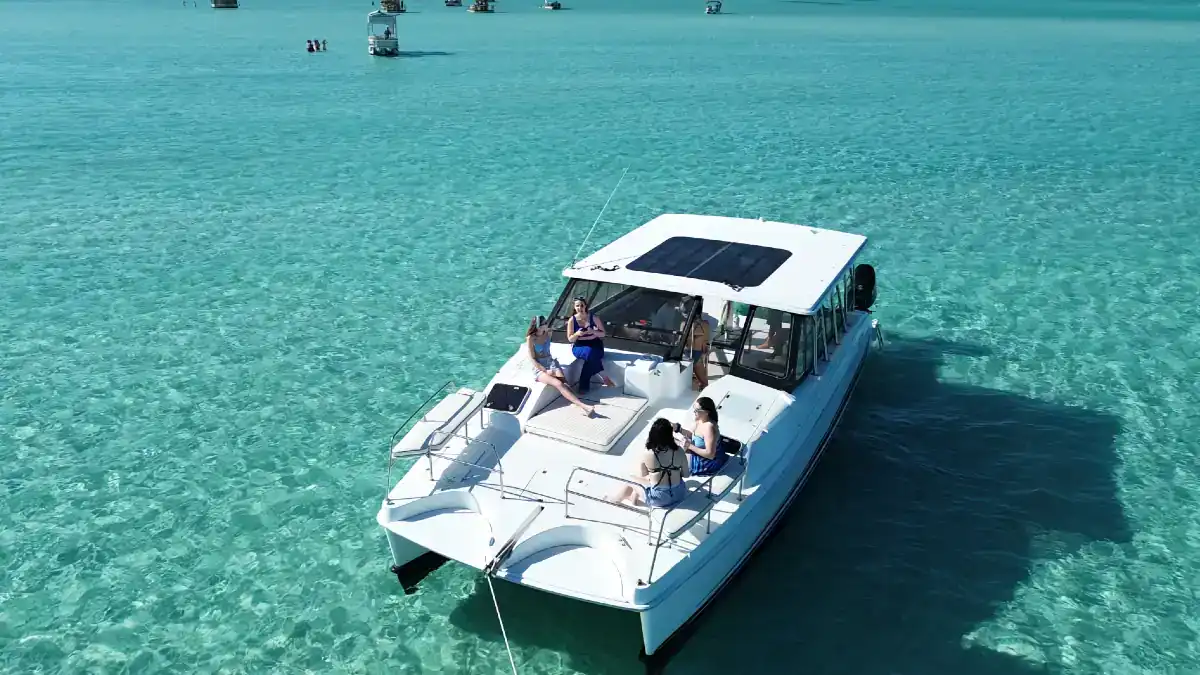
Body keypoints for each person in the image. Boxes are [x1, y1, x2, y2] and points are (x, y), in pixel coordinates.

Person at [610, 418, 688, 508]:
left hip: (659, 499)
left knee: (631, 479)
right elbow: (686, 475)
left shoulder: (647, 454)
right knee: (656, 478)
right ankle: (634, 499)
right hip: (680, 494)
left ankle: (616, 499)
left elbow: (644, 475)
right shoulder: (680, 451)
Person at [526, 316, 594, 416]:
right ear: (537, 326)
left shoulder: (549, 332)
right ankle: (584, 407)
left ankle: (578, 404)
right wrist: (544, 370)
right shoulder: (531, 338)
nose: (545, 325)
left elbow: (567, 329)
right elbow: (532, 358)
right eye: (543, 324)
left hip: (551, 362)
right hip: (539, 367)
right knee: (558, 384)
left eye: (545, 323)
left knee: (564, 383)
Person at [566, 296, 615, 394]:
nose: (580, 308)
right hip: (579, 346)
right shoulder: (572, 320)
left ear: (585, 306)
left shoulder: (594, 317)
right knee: (590, 354)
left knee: (591, 355)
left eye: (581, 305)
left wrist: (592, 331)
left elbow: (603, 334)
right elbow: (570, 339)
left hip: (595, 344)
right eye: (577, 306)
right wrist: (577, 334)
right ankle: (604, 377)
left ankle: (584, 387)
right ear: (574, 307)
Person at [676, 396, 728, 476]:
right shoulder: (699, 420)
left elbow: (710, 454)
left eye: (697, 410)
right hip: (697, 453)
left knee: (671, 461)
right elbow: (691, 434)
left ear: (706, 412)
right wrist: (677, 428)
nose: (694, 412)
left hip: (706, 462)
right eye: (694, 408)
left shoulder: (709, 427)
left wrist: (689, 446)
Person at [687, 301, 711, 389]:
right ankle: (703, 385)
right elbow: (705, 342)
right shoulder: (705, 324)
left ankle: (701, 384)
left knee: (697, 374)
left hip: (687, 352)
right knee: (703, 381)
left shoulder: (684, 324)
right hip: (698, 351)